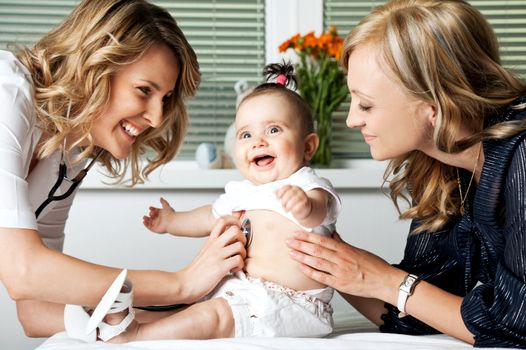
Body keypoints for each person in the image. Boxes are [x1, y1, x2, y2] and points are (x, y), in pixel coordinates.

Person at [0, 0, 246, 342]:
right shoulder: (7, 91)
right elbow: (22, 271)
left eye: (165, 99)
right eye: (144, 90)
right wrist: (181, 285)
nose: (157, 118)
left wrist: (191, 315)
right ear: (94, 65)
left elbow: (36, 309)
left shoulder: (70, 155)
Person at [285, 0, 526, 347]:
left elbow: (513, 326)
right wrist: (327, 258)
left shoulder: (521, 157)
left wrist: (382, 279)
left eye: (366, 104)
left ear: (434, 104)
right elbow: (419, 308)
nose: (352, 120)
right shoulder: (440, 166)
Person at [105, 62, 342, 342]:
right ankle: (125, 320)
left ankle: (135, 336)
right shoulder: (242, 193)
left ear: (308, 146)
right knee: (192, 310)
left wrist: (305, 206)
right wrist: (172, 221)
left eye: (274, 130)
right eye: (246, 134)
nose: (258, 142)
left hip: (291, 305)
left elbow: (321, 210)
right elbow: (208, 217)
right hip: (240, 292)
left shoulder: (306, 185)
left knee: (213, 316)